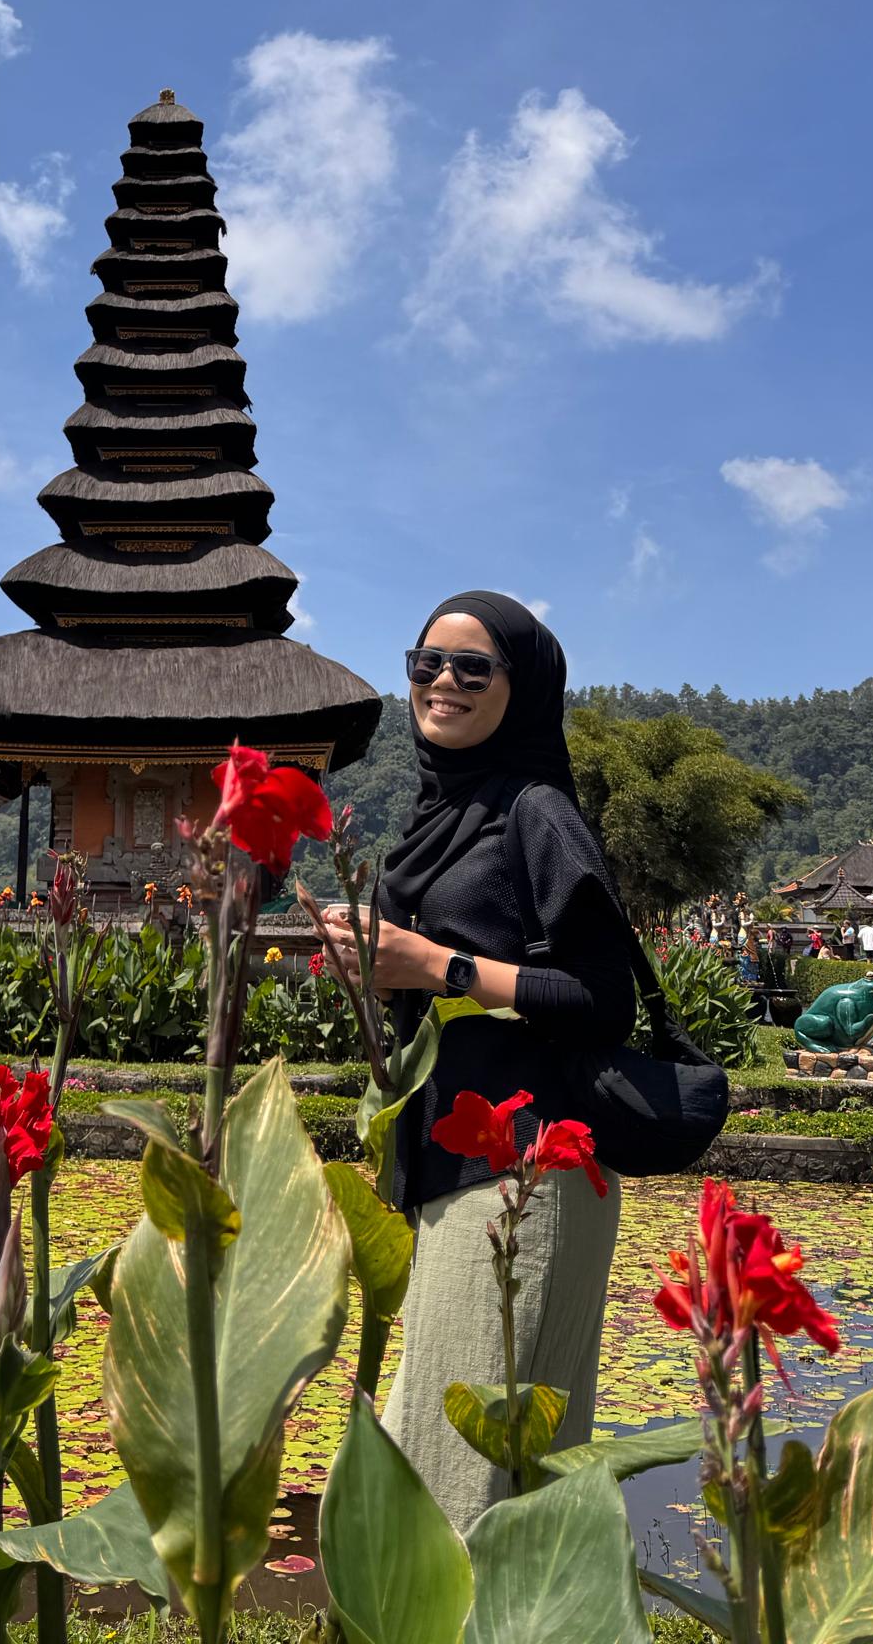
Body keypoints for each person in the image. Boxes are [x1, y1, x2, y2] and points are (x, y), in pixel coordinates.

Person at [326, 591, 639, 1532]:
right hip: (446, 1162)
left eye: (474, 668)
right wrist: (383, 970)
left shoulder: (537, 811)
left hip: (526, 1170)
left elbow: (603, 999)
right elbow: (446, 1004)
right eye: (427, 664)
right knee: (459, 1453)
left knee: (463, 1480)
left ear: (525, 686)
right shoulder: (433, 820)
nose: (443, 683)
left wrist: (437, 961)